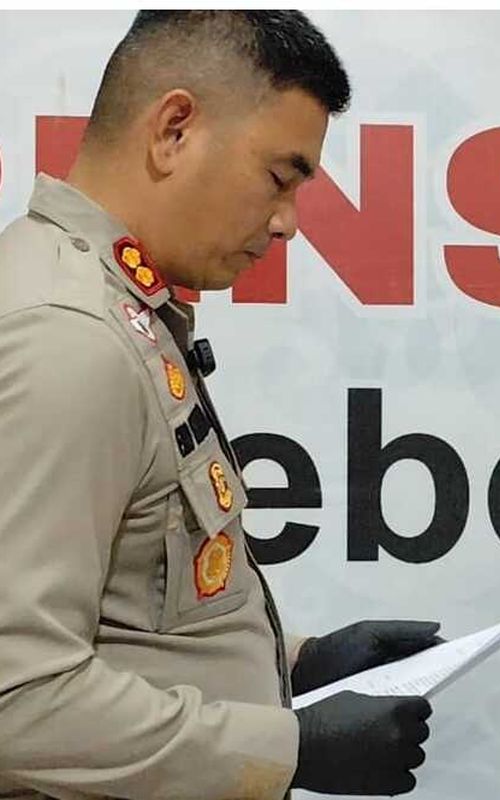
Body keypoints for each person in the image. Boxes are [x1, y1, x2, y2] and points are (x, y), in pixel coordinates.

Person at [0, 11, 439, 799]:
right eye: (279, 177)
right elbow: (16, 699)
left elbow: (134, 611)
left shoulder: (113, 307)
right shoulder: (70, 336)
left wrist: (298, 663)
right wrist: (289, 749)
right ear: (174, 129)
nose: (287, 223)